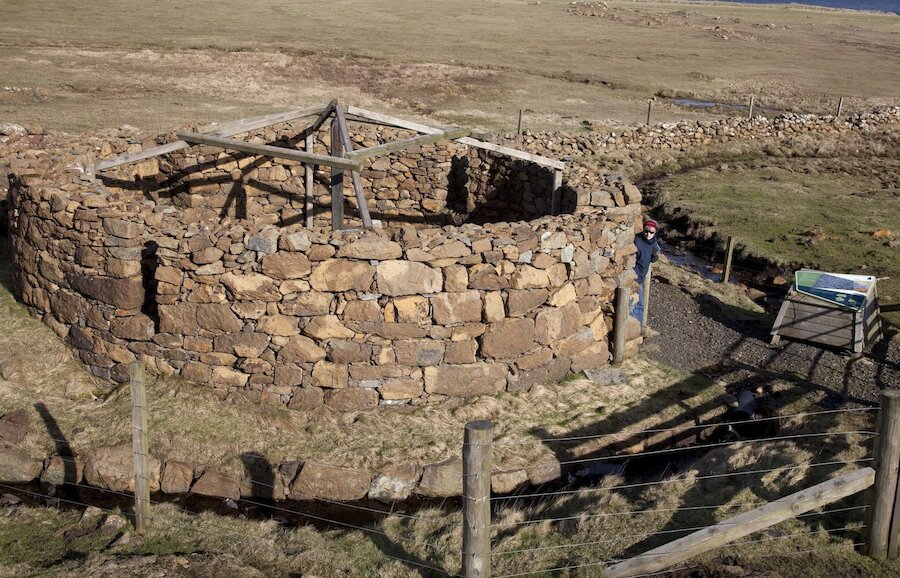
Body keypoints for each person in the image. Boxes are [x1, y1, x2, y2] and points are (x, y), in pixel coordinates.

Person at [632, 219, 661, 325]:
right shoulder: (637, 241)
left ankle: (637, 328)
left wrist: (654, 257)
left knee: (638, 305)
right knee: (636, 305)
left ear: (655, 232)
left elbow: (655, 253)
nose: (648, 234)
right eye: (646, 231)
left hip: (640, 277)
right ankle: (635, 328)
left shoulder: (653, 242)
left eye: (651, 232)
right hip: (634, 278)